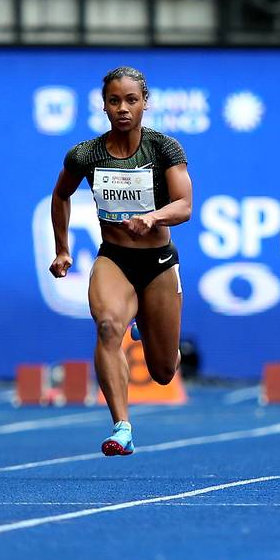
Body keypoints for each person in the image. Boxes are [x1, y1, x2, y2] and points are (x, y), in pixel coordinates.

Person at [49, 66, 192, 456]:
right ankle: (122, 426)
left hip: (159, 262)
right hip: (114, 259)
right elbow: (60, 195)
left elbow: (184, 206)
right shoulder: (86, 154)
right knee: (109, 326)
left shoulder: (164, 149)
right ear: (105, 106)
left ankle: (153, 327)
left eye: (131, 100)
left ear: (145, 103)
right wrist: (62, 249)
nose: (123, 109)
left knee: (163, 372)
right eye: (115, 101)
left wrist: (153, 217)